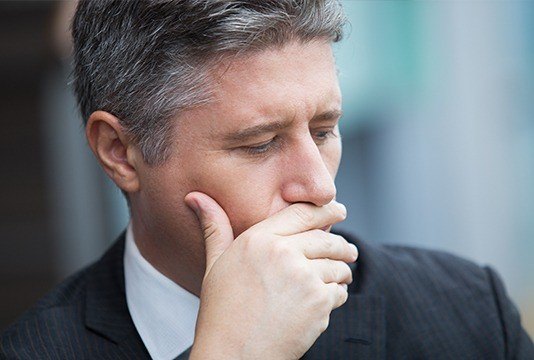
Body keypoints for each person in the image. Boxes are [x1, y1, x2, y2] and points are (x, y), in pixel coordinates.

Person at [1, 1, 533, 359]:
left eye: (325, 131)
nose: (320, 189)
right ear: (120, 151)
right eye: (259, 144)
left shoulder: (466, 312)